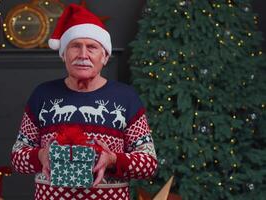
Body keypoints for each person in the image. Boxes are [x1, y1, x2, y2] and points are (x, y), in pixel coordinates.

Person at [11, 3, 158, 199]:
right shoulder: (43, 94)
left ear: (104, 56)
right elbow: (17, 157)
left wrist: (113, 159)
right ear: (63, 54)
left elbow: (149, 163)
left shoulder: (126, 98)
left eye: (92, 48)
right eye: (75, 46)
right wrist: (39, 155)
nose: (83, 55)